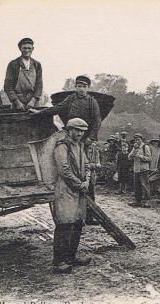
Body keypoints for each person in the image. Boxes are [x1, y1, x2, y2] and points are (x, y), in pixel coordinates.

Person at [30, 75, 102, 224]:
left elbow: (97, 121)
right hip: (70, 140)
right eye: (78, 86)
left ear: (88, 88)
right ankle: (71, 213)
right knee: (68, 172)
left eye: (83, 86)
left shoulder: (92, 102)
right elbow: (57, 109)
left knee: (86, 176)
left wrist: (91, 138)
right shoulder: (70, 99)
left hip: (85, 141)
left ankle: (89, 215)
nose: (81, 89)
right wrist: (39, 113)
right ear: (75, 87)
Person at [52, 118, 92, 274]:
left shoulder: (79, 147)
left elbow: (87, 165)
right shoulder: (62, 147)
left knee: (77, 223)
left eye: (82, 131)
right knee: (64, 224)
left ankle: (71, 257)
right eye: (77, 130)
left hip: (79, 189)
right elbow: (64, 171)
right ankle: (58, 262)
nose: (80, 134)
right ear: (69, 130)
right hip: (66, 189)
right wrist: (79, 184)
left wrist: (87, 181)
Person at [4, 37, 43, 110]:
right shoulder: (13, 64)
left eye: (29, 48)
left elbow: (39, 85)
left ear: (33, 49)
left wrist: (33, 100)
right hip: (18, 102)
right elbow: (8, 86)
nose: (27, 50)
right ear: (20, 48)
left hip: (33, 103)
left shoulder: (37, 64)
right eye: (24, 48)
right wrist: (16, 102)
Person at [128, 133, 152, 208]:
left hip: (144, 169)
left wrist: (140, 156)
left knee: (145, 185)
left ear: (141, 139)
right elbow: (129, 157)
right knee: (137, 186)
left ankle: (147, 201)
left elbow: (149, 158)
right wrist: (133, 152)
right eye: (135, 140)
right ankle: (137, 201)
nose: (137, 141)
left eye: (138, 139)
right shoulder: (135, 148)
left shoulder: (145, 147)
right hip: (136, 169)